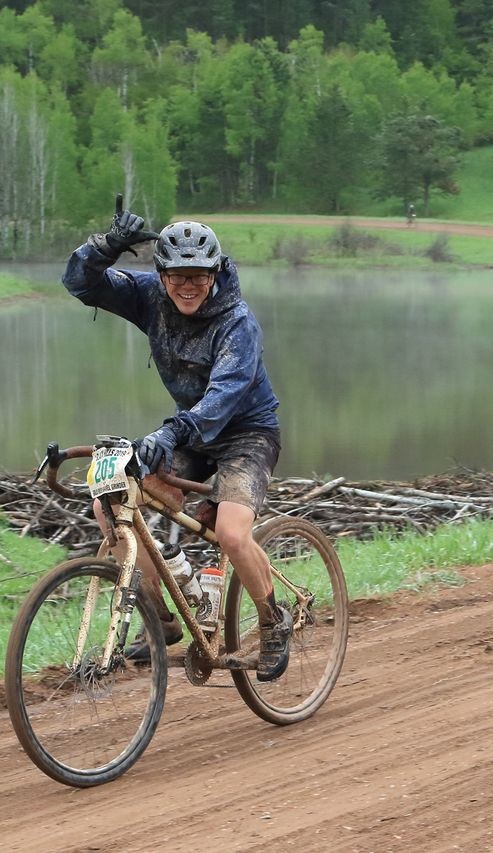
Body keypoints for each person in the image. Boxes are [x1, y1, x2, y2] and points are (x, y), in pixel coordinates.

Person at [62, 206, 291, 681]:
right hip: (190, 430)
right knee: (112, 503)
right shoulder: (151, 298)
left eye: (200, 277)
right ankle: (163, 618)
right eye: (178, 277)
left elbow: (223, 397)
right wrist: (103, 247)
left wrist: (168, 434)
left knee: (230, 532)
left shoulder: (237, 322)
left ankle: (273, 622)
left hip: (245, 433)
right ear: (161, 275)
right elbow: (82, 284)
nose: (188, 287)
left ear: (215, 275)